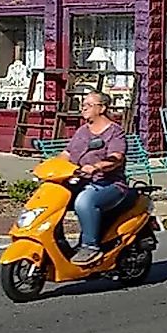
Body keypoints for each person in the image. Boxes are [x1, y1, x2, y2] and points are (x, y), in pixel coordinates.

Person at [61, 91, 128, 265]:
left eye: (88, 105)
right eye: (82, 104)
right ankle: (58, 243)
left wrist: (96, 167)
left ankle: (90, 246)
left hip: (109, 183)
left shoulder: (115, 131)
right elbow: (67, 153)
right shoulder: (83, 130)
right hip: (81, 180)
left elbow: (117, 157)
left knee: (84, 201)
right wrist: (50, 166)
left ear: (102, 108)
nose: (83, 107)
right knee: (54, 198)